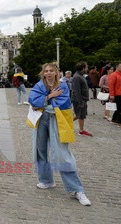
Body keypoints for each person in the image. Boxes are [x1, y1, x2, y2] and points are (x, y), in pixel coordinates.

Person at [28, 62, 91, 206]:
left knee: (63, 154)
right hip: (41, 120)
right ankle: (46, 180)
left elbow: (63, 104)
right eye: (46, 71)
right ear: (43, 73)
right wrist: (50, 96)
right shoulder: (39, 86)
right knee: (40, 150)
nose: (49, 73)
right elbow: (33, 103)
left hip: (57, 120)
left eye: (51, 71)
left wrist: (43, 102)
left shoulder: (62, 86)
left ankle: (76, 189)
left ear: (56, 72)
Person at [71, 62, 92, 136]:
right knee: (79, 115)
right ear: (82, 68)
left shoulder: (81, 76)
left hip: (82, 99)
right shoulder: (77, 77)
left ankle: (81, 129)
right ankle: (81, 130)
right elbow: (77, 90)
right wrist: (80, 102)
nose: (87, 69)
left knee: (79, 115)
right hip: (79, 100)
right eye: (86, 67)